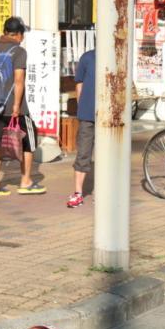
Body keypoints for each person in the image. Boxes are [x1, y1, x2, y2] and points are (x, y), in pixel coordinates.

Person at [0, 16, 45, 196]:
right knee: (28, 143)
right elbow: (18, 79)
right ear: (19, 34)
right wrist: (16, 106)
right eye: (23, 34)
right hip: (16, 109)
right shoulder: (19, 52)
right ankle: (26, 181)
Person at [68, 47, 95, 209]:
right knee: (83, 153)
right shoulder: (87, 57)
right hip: (87, 115)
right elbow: (79, 84)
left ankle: (103, 193)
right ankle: (78, 193)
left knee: (107, 157)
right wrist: (82, 107)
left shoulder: (116, 56)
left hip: (109, 116)